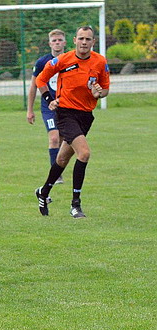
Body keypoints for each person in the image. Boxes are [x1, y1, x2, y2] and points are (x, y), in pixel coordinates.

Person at [35, 26, 110, 218]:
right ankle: (75, 205)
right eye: (81, 38)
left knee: (62, 159)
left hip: (86, 116)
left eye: (88, 39)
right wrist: (49, 100)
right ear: (75, 40)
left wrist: (98, 93)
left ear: (93, 42)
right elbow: (40, 80)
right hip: (65, 114)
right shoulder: (63, 60)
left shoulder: (100, 62)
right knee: (84, 153)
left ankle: (43, 192)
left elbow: (105, 90)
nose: (84, 42)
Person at [27, 29, 67, 184]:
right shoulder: (42, 62)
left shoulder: (70, 60)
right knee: (54, 137)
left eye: (60, 40)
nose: (57, 43)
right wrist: (30, 110)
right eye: (54, 40)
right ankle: (56, 175)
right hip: (48, 107)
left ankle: (58, 169)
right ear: (50, 43)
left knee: (63, 140)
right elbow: (33, 86)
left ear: (65, 42)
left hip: (66, 106)